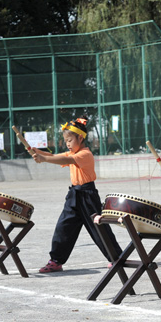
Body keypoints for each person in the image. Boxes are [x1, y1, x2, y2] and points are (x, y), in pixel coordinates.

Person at [32, 116, 122, 273]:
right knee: (64, 227)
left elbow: (60, 160)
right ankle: (56, 260)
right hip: (74, 195)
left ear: (80, 138)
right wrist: (36, 152)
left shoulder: (84, 154)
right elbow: (55, 156)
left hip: (88, 196)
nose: (67, 144)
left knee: (99, 228)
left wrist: (43, 159)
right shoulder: (72, 153)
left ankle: (117, 258)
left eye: (70, 140)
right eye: (65, 141)